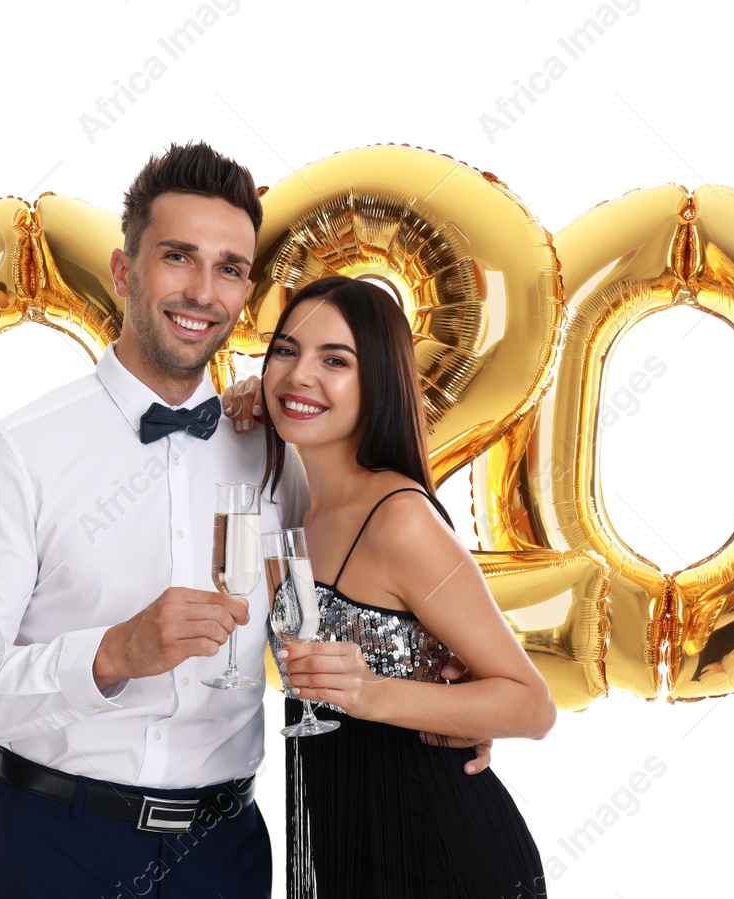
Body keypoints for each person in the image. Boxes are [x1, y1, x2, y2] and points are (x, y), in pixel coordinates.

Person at [0, 141, 300, 899]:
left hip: (226, 858)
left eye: (227, 268)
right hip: (52, 844)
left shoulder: (280, 453)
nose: (202, 291)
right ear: (125, 272)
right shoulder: (21, 450)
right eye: (178, 257)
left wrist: (442, 700)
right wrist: (113, 652)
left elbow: (337, 608)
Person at [236, 274, 557, 898]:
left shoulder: (398, 519)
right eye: (285, 351)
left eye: (336, 360)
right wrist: (245, 396)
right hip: (342, 840)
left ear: (376, 380)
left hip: (436, 850)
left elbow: (531, 705)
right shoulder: (302, 506)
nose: (301, 374)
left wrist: (372, 694)